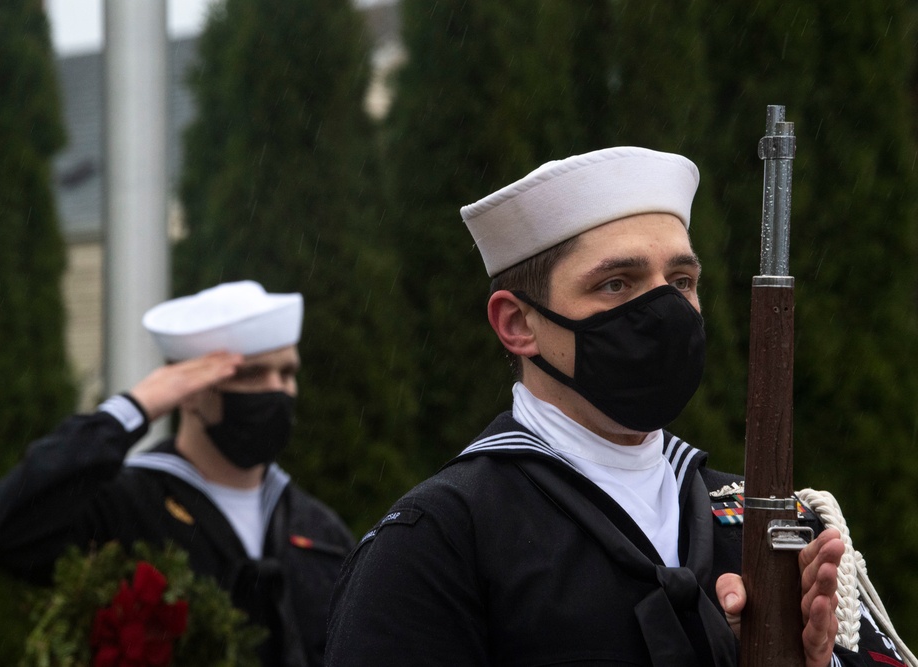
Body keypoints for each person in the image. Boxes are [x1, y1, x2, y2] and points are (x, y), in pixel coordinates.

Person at [324, 148, 908, 666]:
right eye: (617, 284)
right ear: (517, 323)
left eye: (680, 282)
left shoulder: (768, 527)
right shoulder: (440, 543)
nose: (665, 310)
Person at [0, 280, 355, 667]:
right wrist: (132, 410)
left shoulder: (320, 530)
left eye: (287, 373)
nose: (278, 389)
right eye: (250, 375)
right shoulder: (123, 508)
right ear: (188, 389)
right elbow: (2, 527)